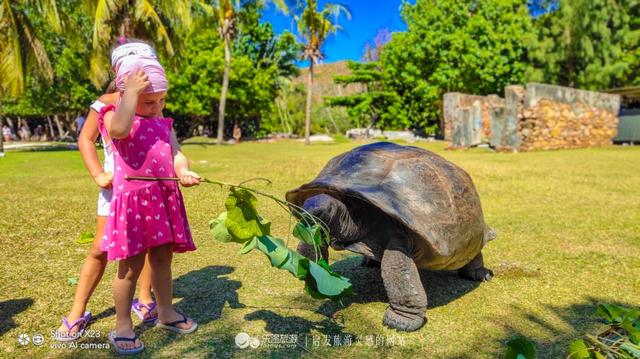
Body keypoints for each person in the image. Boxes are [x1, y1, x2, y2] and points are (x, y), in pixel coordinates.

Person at [55, 41, 161, 342]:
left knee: (148, 246)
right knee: (100, 249)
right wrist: (98, 174)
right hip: (115, 192)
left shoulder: (153, 101)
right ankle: (78, 311)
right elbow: (86, 139)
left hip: (147, 191)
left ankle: (144, 297)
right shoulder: (106, 102)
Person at [99, 54, 200, 355]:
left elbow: (176, 152)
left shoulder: (163, 123)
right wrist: (129, 95)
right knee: (130, 268)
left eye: (161, 101)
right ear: (125, 94)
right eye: (148, 102)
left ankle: (166, 312)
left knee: (162, 259)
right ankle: (122, 325)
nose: (156, 108)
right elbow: (119, 130)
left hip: (163, 198)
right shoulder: (112, 115)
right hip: (134, 202)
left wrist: (182, 170)